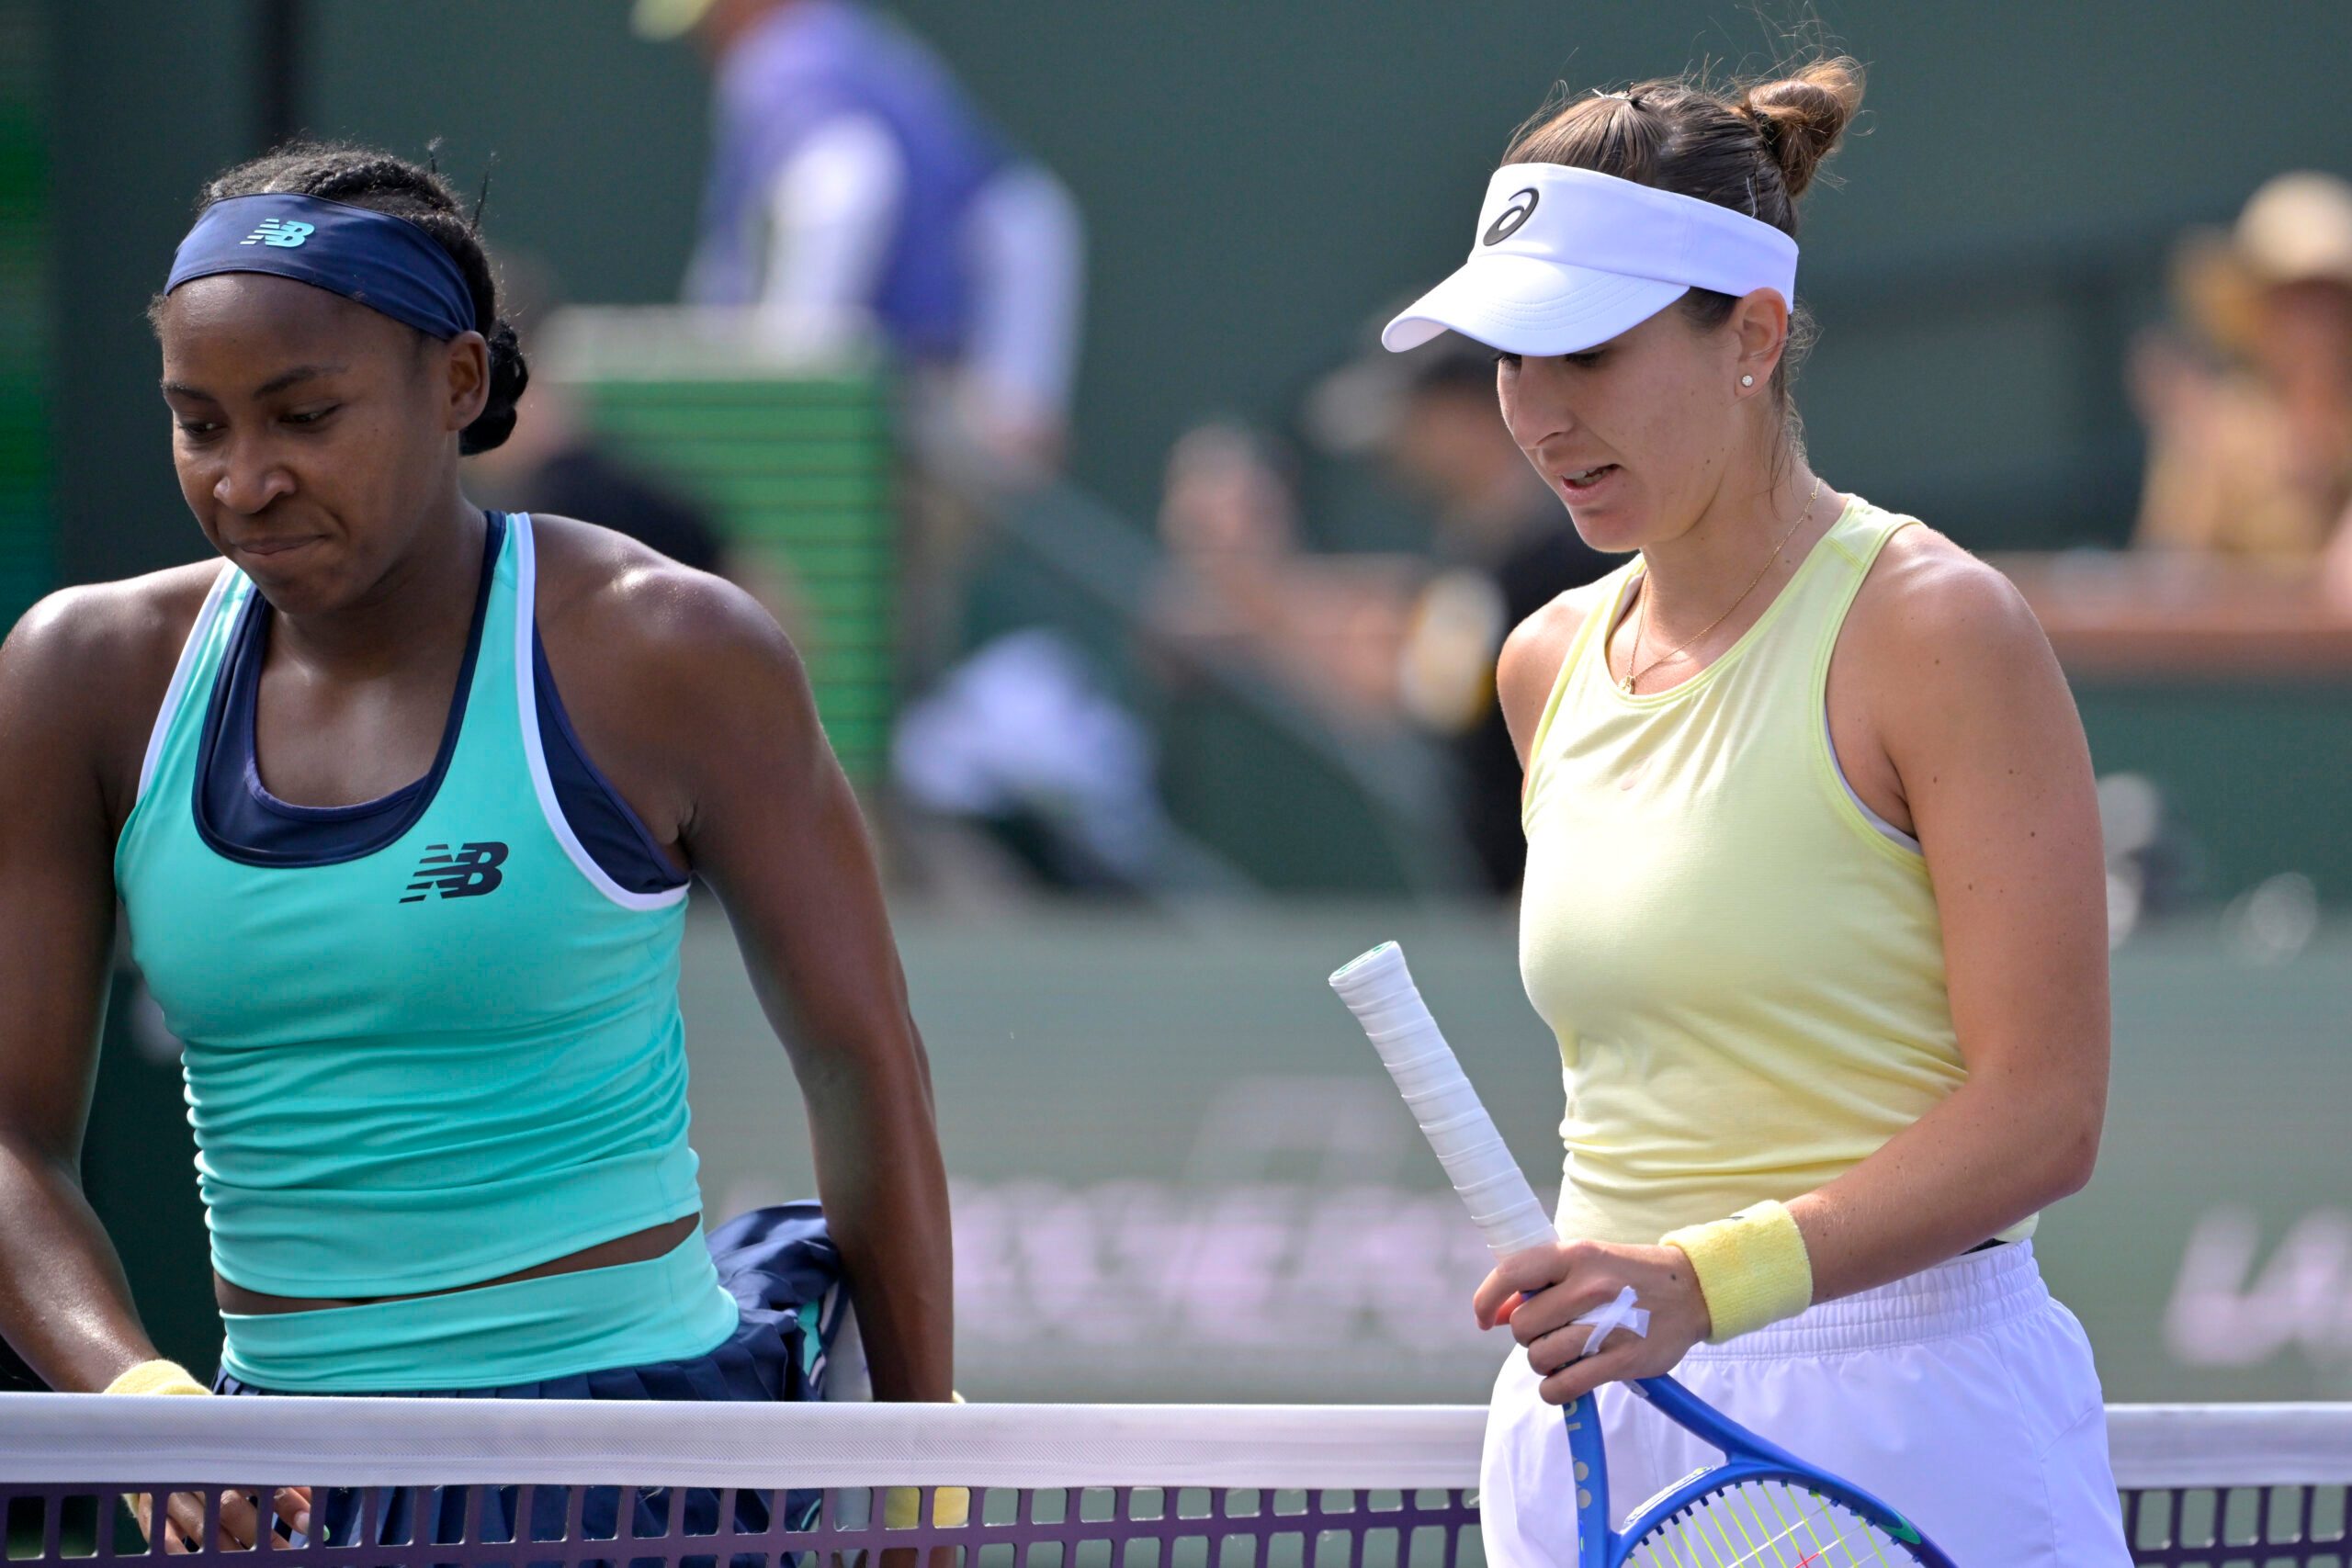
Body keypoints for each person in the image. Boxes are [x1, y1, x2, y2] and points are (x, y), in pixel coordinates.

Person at [0, 144, 952, 1549]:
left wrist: (918, 1465)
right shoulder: (81, 672)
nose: (245, 479)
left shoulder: (667, 646)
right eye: (198, 424)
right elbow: (9, 1136)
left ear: (456, 383)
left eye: (304, 415)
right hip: (274, 1475)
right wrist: (139, 1395)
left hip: (631, 1468)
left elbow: (860, 1060)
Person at [1377, 62, 2128, 1562]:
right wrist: (1652, 1291)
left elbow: (2044, 1112)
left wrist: (1704, 1280)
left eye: (1584, 350)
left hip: (1907, 1407)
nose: (1538, 413)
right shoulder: (1544, 666)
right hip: (1600, 1395)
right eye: (1507, 359)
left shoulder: (1938, 628)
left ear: (1755, 335)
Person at [645, 0, 1085, 479]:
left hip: (899, 411)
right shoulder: (848, 42)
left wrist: (790, 389)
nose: (704, 42)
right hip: (911, 394)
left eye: (710, 20)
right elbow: (1023, 209)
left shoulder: (783, 61)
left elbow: (847, 180)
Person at [2132, 170, 2352, 569]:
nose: (2314, 327)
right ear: (2260, 314)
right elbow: (2170, 573)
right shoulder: (2219, 423)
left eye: (2329, 304)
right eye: (2294, 305)